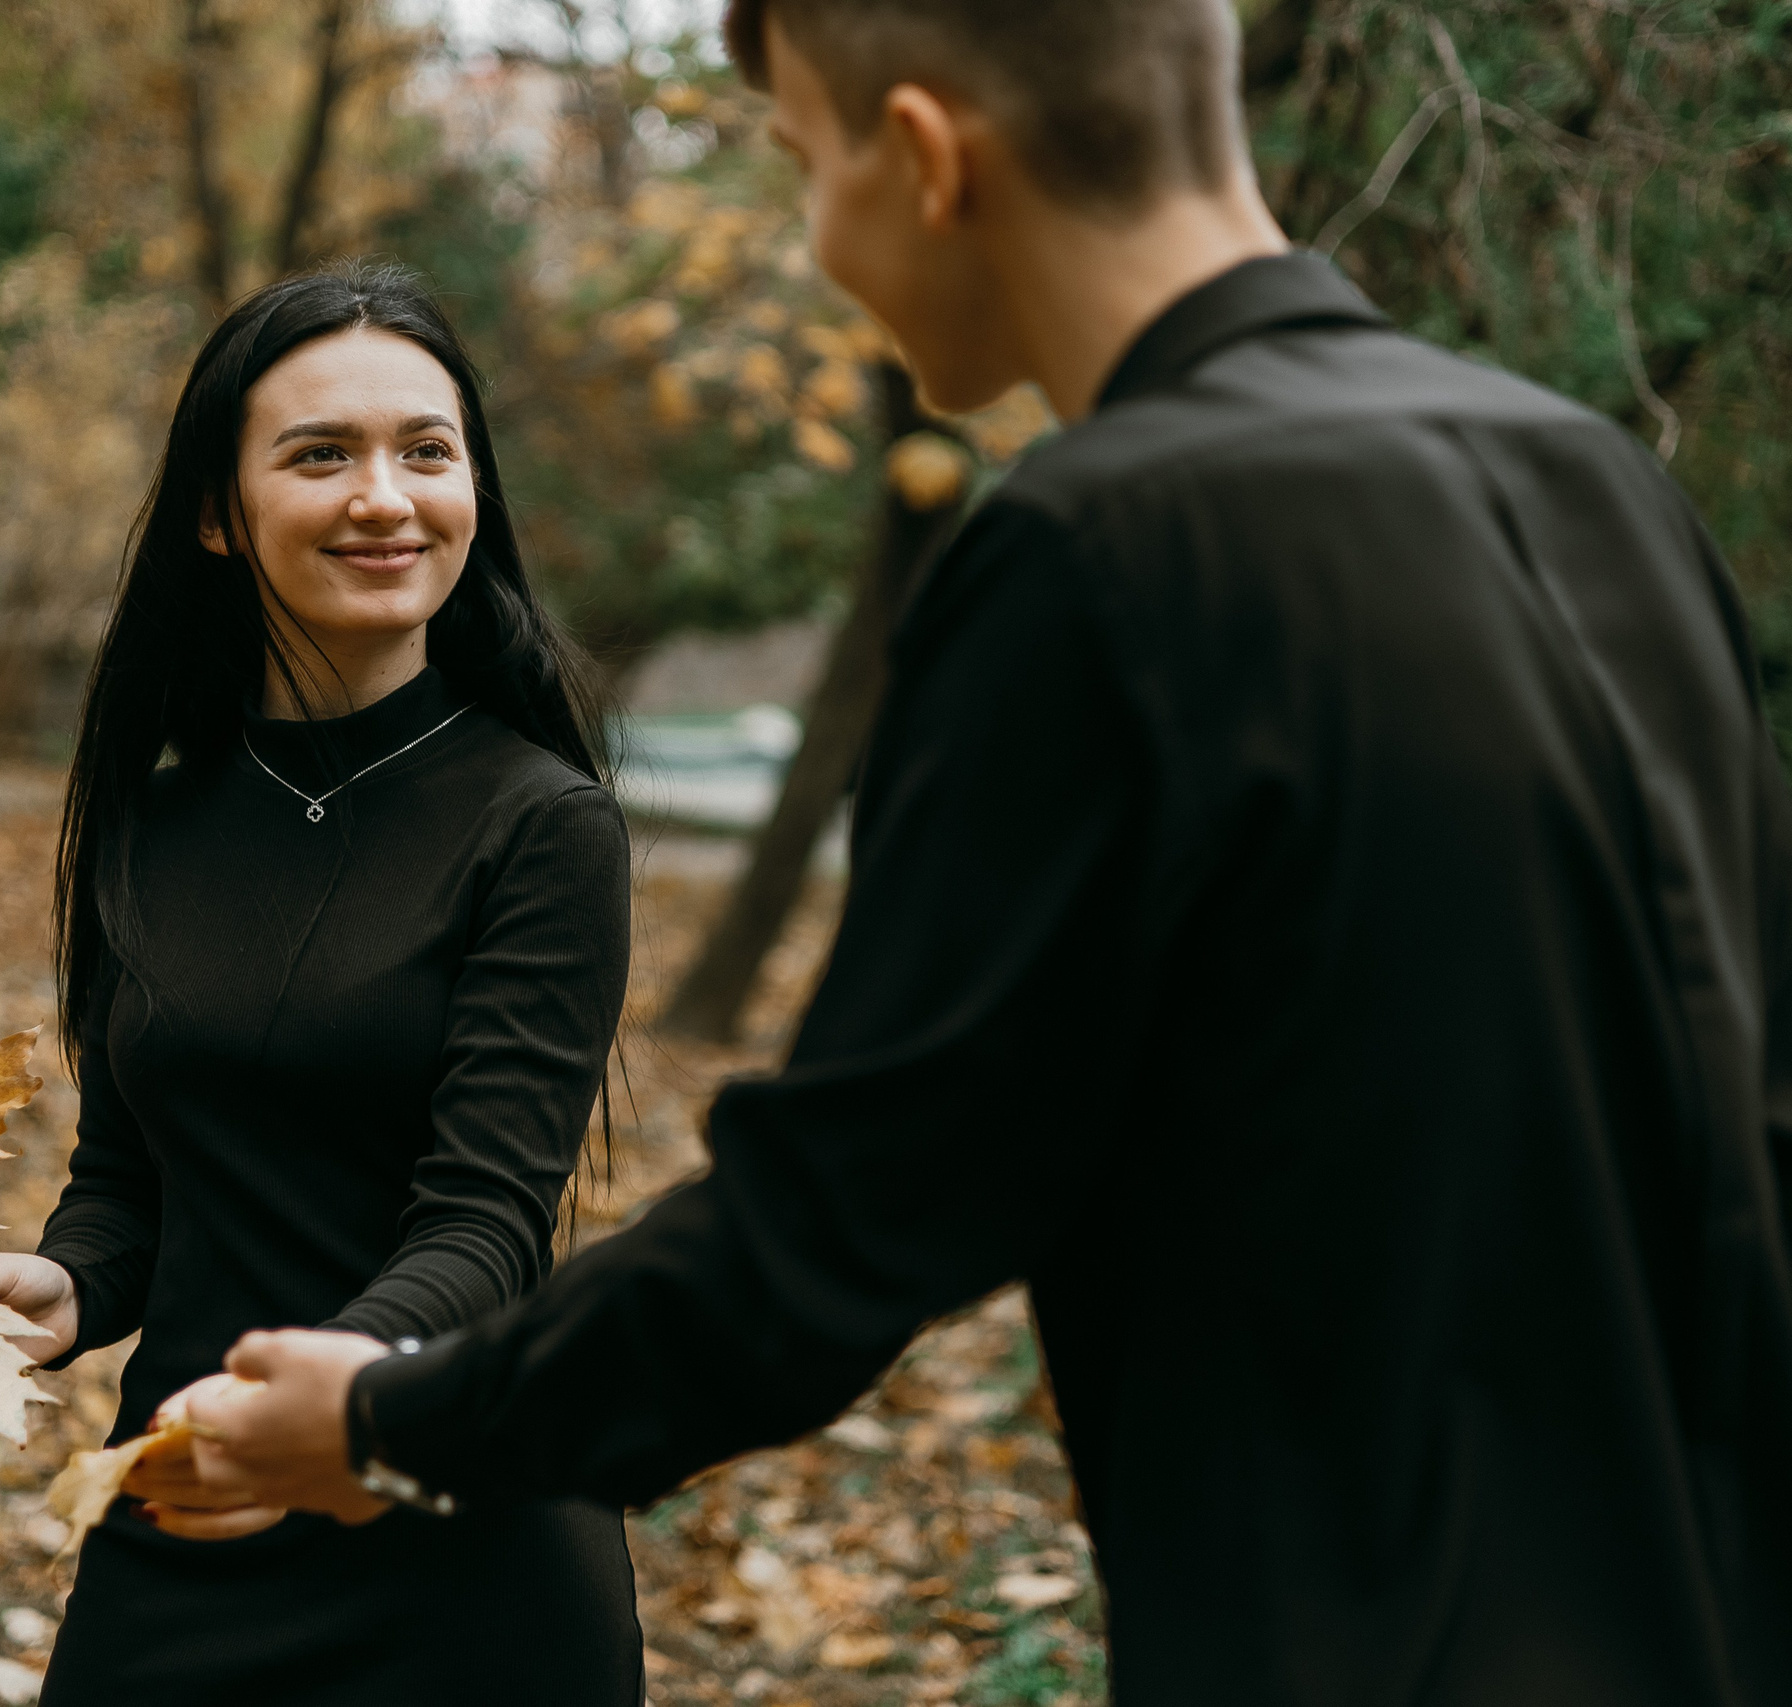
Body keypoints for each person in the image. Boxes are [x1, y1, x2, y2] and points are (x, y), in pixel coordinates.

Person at [171, 2, 1792, 1702]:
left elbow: (833, 1236)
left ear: (931, 160)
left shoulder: (1099, 556)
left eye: (808, 167)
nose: (818, 241)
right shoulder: (1595, 479)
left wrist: (384, 1423)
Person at [0, 264, 643, 1705]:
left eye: (426, 451)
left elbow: (485, 1227)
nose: (385, 496)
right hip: (184, 1502)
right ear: (219, 510)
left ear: (474, 491)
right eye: (322, 454)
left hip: (457, 1547)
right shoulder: (150, 825)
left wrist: (315, 1395)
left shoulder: (542, 827)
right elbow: (139, 1170)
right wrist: (71, 1280)